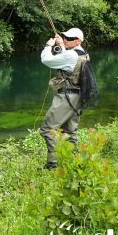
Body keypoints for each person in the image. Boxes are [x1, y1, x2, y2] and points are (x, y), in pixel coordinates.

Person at [39, 27, 88, 170]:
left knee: (47, 130)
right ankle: (72, 161)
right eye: (65, 37)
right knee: (70, 130)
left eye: (69, 39)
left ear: (78, 41)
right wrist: (61, 45)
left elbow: (47, 60)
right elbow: (68, 58)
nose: (66, 39)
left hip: (66, 97)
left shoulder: (71, 55)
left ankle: (52, 165)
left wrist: (48, 46)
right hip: (78, 97)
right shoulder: (83, 53)